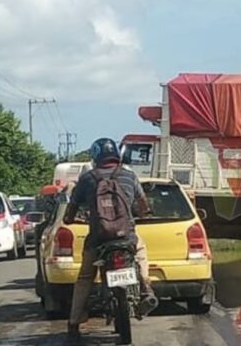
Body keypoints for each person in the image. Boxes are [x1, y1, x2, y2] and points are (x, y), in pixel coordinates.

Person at [64, 138, 156, 340]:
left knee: (86, 278)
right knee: (140, 251)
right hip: (126, 236)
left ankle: (73, 322)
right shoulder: (130, 177)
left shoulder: (87, 179)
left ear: (96, 157)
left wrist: (70, 218)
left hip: (98, 238)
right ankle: (146, 287)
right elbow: (143, 205)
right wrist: (141, 214)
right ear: (116, 154)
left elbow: (70, 211)